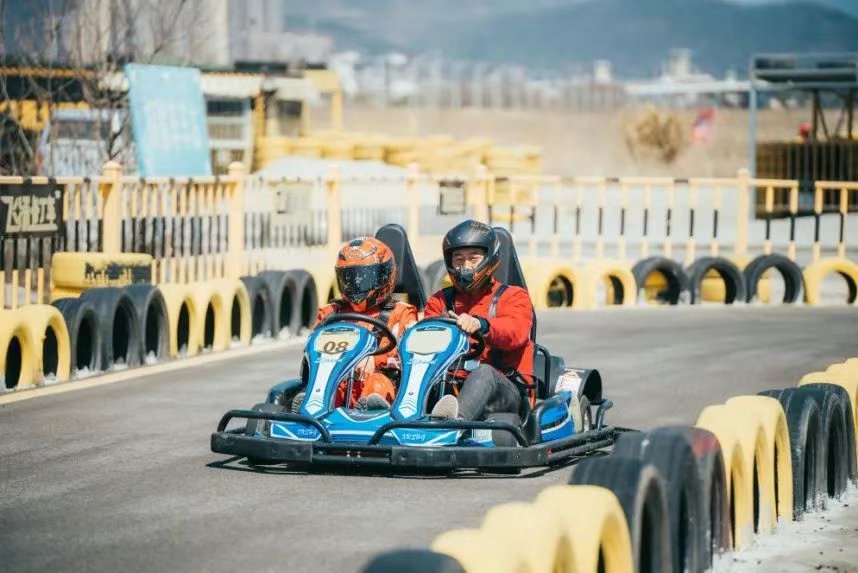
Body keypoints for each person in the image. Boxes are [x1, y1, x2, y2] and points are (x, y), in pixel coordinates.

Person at [423, 220, 535, 421]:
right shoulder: (439, 301)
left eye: (473, 259)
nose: (465, 266)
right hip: (450, 384)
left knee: (483, 373)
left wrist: (482, 325)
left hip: (504, 388)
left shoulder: (514, 296)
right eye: (458, 259)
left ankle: (456, 425)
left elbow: (517, 332)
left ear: (489, 259)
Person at [302, 237, 417, 411]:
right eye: (350, 278)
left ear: (385, 276)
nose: (356, 285)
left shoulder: (401, 313)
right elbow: (309, 355)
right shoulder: (330, 313)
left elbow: (413, 360)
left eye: (364, 279)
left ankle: (369, 412)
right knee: (321, 386)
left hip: (383, 388)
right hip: (334, 383)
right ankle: (310, 410)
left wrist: (374, 361)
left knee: (377, 383)